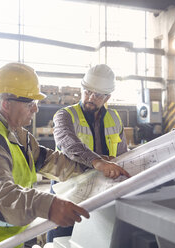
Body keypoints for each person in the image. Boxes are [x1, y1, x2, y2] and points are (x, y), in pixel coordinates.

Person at [0, 62, 92, 248]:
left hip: (8, 241)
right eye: (31, 103)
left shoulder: (18, 134)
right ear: (6, 104)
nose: (36, 109)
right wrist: (48, 205)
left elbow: (51, 161)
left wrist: (92, 168)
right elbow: (1, 198)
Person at [47, 64, 130, 242]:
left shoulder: (115, 119)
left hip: (101, 197)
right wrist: (98, 162)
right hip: (68, 196)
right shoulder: (65, 115)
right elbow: (69, 143)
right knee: (60, 241)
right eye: (87, 91)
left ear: (108, 96)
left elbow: (123, 154)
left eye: (98, 95)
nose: (91, 98)